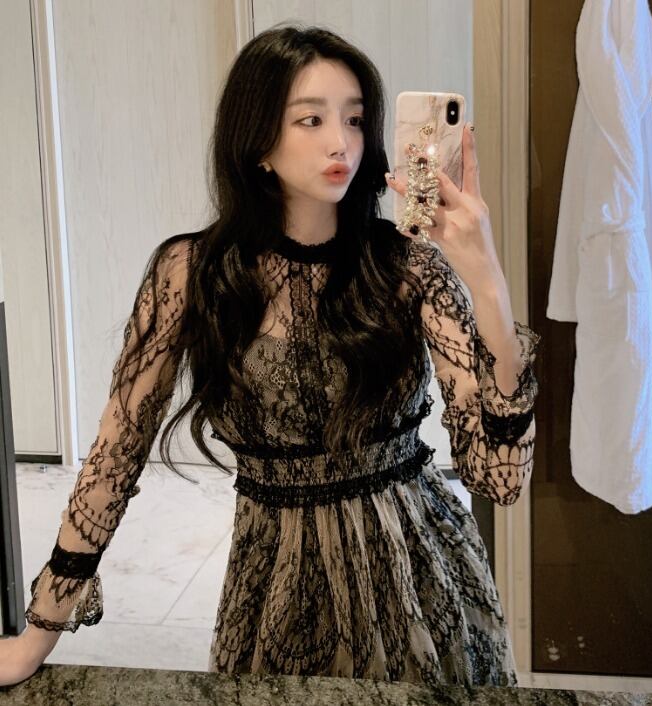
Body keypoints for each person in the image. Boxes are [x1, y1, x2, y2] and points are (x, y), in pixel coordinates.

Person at [0, 24, 539, 689]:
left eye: (355, 119)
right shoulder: (190, 273)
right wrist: (37, 635)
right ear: (257, 142)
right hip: (275, 584)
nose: (340, 142)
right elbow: (114, 458)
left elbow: (499, 480)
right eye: (310, 120)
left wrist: (488, 283)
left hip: (416, 577)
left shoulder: (408, 268)